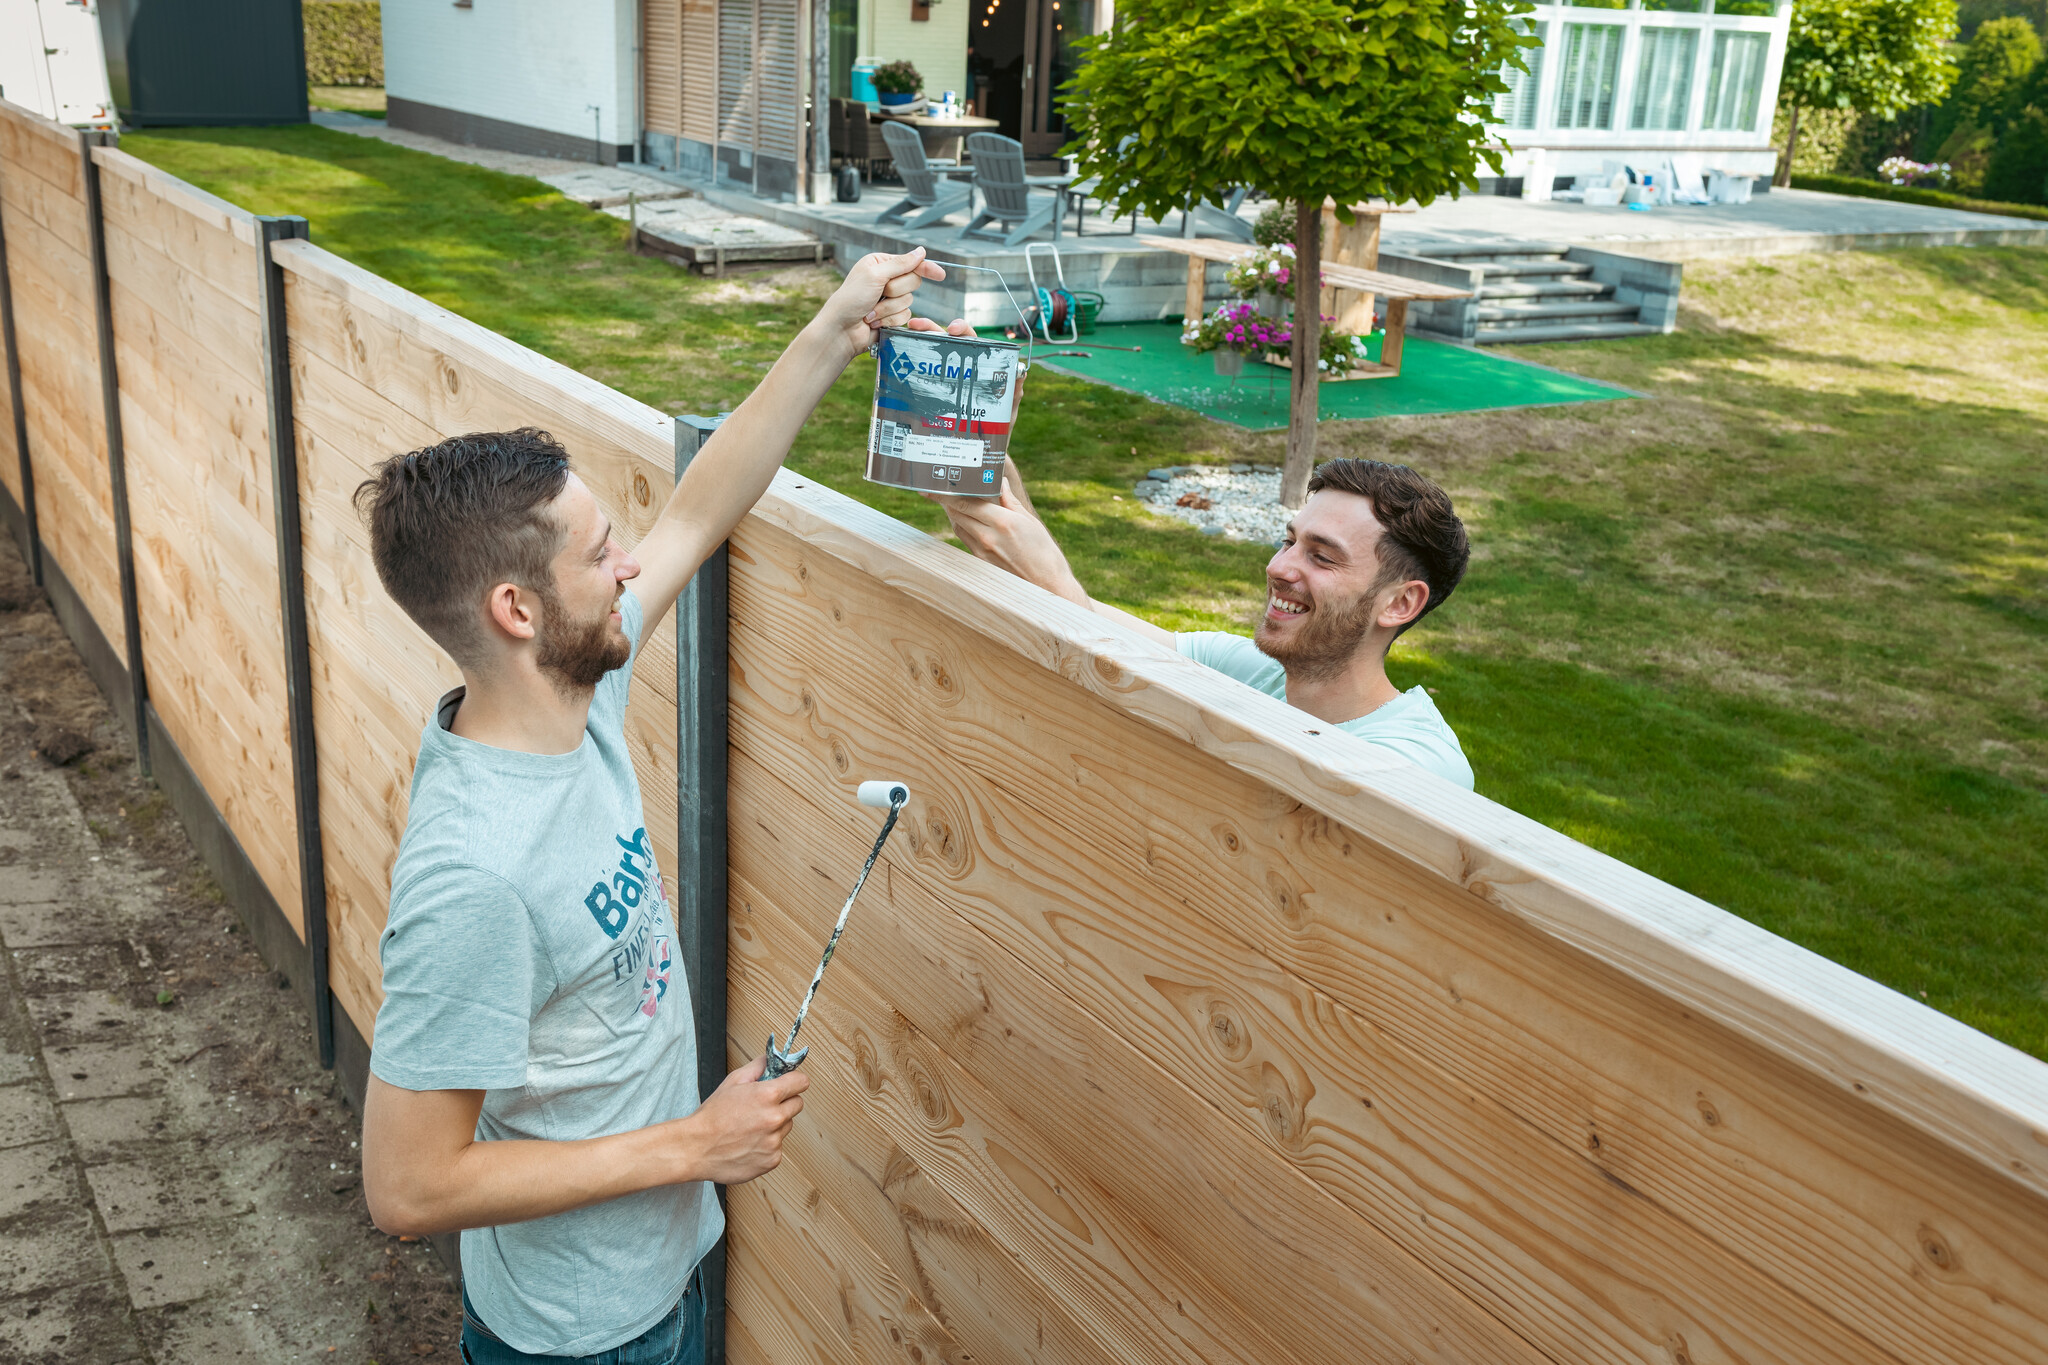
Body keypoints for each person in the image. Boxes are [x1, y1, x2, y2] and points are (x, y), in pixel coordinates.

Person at [356, 249, 970, 1365]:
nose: (630, 564)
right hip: (575, 1335)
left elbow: (698, 510)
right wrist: (695, 1144)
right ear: (516, 609)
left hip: (656, 1271)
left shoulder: (568, 691)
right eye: (599, 555)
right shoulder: (475, 878)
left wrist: (838, 325)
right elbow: (405, 1185)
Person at [934, 456, 1476, 788]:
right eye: (1289, 541)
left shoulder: (1418, 767)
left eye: (1322, 556)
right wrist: (998, 490)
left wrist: (1053, 581)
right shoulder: (1249, 671)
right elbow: (1085, 616)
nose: (1279, 567)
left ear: (1400, 604)